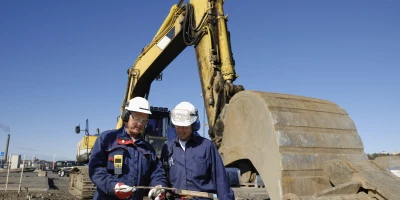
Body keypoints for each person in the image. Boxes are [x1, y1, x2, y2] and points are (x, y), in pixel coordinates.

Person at [89, 97, 167, 200]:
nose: (140, 124)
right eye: (136, 119)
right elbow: (95, 169)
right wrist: (113, 186)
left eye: (144, 120)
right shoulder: (107, 139)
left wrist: (158, 186)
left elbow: (157, 172)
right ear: (126, 116)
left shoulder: (148, 149)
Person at [160, 102, 235, 200]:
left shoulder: (207, 147)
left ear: (193, 125)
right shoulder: (167, 148)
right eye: (178, 126)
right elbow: (161, 175)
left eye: (185, 126)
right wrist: (159, 185)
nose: (181, 130)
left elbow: (220, 179)